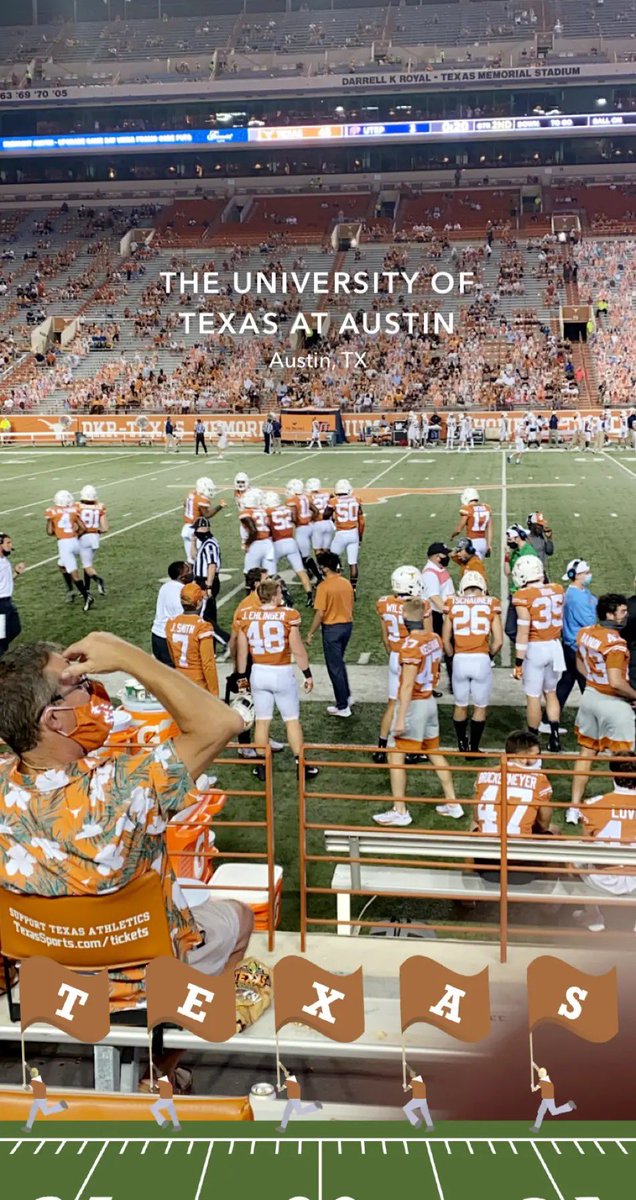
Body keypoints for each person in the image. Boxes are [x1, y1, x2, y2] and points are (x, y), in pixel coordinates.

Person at [0, 632, 254, 1084]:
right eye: (78, 682)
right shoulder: (128, 787)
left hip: (42, 970)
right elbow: (223, 722)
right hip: (141, 984)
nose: (93, 687)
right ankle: (163, 1068)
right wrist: (130, 658)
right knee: (238, 918)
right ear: (57, 719)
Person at [373, 598, 461, 827]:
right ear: (423, 617)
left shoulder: (409, 646)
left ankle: (400, 809)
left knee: (395, 754)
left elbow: (407, 685)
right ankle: (453, 802)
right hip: (430, 700)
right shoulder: (434, 639)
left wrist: (400, 718)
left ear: (404, 621)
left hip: (415, 704)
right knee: (433, 751)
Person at [236, 577, 316, 781]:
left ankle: (262, 767)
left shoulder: (246, 615)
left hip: (258, 673)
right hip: (281, 672)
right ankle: (301, 765)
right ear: (273, 595)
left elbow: (242, 652)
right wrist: (307, 673)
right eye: (279, 592)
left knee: (262, 721)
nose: (282, 595)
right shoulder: (288, 615)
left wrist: (241, 678)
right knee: (291, 720)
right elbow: (297, 649)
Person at [572, 594, 636, 814]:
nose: (626, 615)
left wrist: (592, 680)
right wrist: (634, 695)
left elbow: (580, 664)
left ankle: (574, 806)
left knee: (586, 753)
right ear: (610, 614)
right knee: (625, 759)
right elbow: (616, 682)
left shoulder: (585, 633)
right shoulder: (616, 644)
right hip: (614, 703)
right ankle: (625, 807)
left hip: (590, 696)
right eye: (622, 611)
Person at [374, 565, 431, 763]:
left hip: (395, 654)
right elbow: (427, 636)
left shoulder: (383, 603)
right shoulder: (420, 606)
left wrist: (392, 653)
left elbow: (384, 637)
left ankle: (381, 747)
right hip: (412, 656)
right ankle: (412, 748)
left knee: (392, 702)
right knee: (414, 701)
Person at [443, 571, 502, 754]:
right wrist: (489, 655)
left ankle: (461, 744)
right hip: (481, 660)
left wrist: (453, 656)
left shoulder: (452, 603)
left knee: (460, 704)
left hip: (460, 660)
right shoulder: (491, 603)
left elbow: (445, 639)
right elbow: (498, 641)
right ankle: (473, 748)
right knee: (480, 706)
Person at [511, 554, 565, 751]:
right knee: (551, 693)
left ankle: (532, 743)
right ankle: (555, 738)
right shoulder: (558, 589)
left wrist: (518, 662)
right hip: (554, 646)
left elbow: (523, 630)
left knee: (533, 696)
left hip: (535, 648)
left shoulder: (523, 596)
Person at [579, 752, 636, 932]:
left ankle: (593, 915)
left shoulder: (592, 804)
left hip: (602, 878)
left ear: (613, 775)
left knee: (574, 857)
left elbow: (586, 844)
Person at [306, 550, 354, 718]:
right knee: (339, 664)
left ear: (325, 569)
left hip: (332, 630)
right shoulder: (346, 583)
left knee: (335, 668)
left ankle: (343, 705)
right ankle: (346, 696)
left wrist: (310, 632)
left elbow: (320, 613)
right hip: (347, 626)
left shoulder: (324, 587)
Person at [556, 559, 597, 712]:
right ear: (577, 575)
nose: (589, 575)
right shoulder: (576, 597)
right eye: (586, 573)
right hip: (577, 646)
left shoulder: (579, 591)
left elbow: (594, 601)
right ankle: (593, 719)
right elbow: (590, 620)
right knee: (588, 685)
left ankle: (548, 720)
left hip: (571, 644)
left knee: (566, 682)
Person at [165, 583, 219, 697]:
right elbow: (208, 664)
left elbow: (172, 656)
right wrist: (214, 693)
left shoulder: (170, 623)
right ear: (199, 603)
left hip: (179, 679)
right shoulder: (203, 627)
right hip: (198, 682)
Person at [44, 490, 93, 611]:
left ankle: (87, 596)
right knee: (61, 565)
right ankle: (70, 591)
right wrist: (75, 535)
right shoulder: (73, 510)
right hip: (75, 542)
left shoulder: (52, 512)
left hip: (64, 544)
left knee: (74, 574)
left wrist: (53, 524)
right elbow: (83, 528)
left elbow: (50, 532)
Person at [264, 490, 313, 605]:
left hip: (277, 544)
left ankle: (285, 595)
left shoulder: (268, 511)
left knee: (270, 574)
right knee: (301, 571)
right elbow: (293, 520)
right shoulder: (287, 509)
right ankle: (310, 596)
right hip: (291, 541)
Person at [192, 517, 229, 651]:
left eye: (196, 529)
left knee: (204, 617)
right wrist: (193, 542)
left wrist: (208, 586)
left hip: (207, 581)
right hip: (204, 581)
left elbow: (212, 565)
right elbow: (194, 557)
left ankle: (227, 641)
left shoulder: (210, 544)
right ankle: (210, 647)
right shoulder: (205, 543)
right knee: (209, 615)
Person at [326, 479, 364, 595]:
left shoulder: (334, 501)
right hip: (353, 533)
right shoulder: (356, 500)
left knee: (331, 560)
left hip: (340, 533)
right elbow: (362, 522)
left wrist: (333, 518)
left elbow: (325, 515)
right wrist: (360, 537)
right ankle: (353, 589)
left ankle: (334, 585)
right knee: (353, 563)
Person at [151, 561, 191, 666]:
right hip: (167, 639)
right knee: (172, 674)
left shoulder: (165, 586)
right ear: (182, 576)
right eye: (188, 570)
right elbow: (181, 615)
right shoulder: (181, 591)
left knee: (161, 671)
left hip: (156, 634)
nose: (191, 572)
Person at [503, 525, 536, 646]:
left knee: (522, 628)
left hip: (524, 595)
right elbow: (507, 572)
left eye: (510, 539)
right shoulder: (516, 552)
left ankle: (527, 649)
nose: (508, 542)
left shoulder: (528, 553)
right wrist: (506, 556)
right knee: (511, 629)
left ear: (518, 538)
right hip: (515, 594)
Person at [75, 484, 108, 599]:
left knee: (86, 565)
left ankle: (97, 580)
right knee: (87, 563)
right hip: (95, 538)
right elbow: (105, 528)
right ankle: (87, 588)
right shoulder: (100, 507)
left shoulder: (77, 506)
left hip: (83, 537)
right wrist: (97, 530)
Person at [286, 479, 321, 586]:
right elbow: (316, 511)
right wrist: (308, 519)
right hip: (310, 526)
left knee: (305, 556)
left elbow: (292, 516)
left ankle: (319, 577)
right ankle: (311, 572)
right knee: (302, 553)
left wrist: (297, 522)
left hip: (302, 529)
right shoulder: (306, 497)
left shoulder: (292, 500)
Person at [239, 487, 276, 577]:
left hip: (255, 544)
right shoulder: (263, 511)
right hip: (268, 543)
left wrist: (246, 543)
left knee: (250, 574)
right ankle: (282, 591)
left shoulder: (246, 513)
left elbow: (253, 531)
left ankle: (251, 591)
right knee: (269, 575)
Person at [0, 532, 25, 659]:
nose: (10, 545)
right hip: (0, 606)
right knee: (1, 635)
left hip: (7, 603)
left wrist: (16, 572)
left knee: (15, 629)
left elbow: (6, 583)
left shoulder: (4, 560)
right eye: (8, 543)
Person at [530, 1066, 576, 1132]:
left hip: (548, 1099)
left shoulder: (542, 1082)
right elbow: (541, 1072)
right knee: (540, 1112)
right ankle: (536, 1127)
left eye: (539, 1074)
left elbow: (534, 1090)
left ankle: (569, 1106)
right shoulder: (547, 1078)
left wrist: (532, 1086)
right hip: (546, 1099)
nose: (538, 1075)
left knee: (553, 1112)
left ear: (540, 1074)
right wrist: (534, 1066)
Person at [450, 488, 492, 560]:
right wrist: (489, 545)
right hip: (483, 542)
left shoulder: (467, 509)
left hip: (472, 542)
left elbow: (459, 530)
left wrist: (452, 535)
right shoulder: (487, 508)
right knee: (478, 567)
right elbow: (489, 529)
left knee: (470, 567)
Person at [23, 1068, 68, 1132]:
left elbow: (27, 1089)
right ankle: (28, 1127)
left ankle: (61, 1106)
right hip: (38, 1099)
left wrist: (24, 1087)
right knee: (32, 1113)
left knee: (45, 1112)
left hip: (40, 1099)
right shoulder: (38, 1079)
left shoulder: (34, 1082)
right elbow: (31, 1070)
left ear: (32, 1074)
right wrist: (25, 1065)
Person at [307, 477, 334, 553]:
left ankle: (321, 565)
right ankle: (332, 564)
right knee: (326, 549)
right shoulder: (327, 494)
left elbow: (313, 511)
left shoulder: (308, 497)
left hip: (317, 522)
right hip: (328, 523)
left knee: (318, 550)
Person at [526, 512, 554, 578]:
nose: (541, 527)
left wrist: (549, 539)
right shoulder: (526, 540)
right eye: (539, 525)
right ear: (531, 525)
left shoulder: (541, 536)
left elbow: (549, 552)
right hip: (530, 574)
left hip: (541, 573)